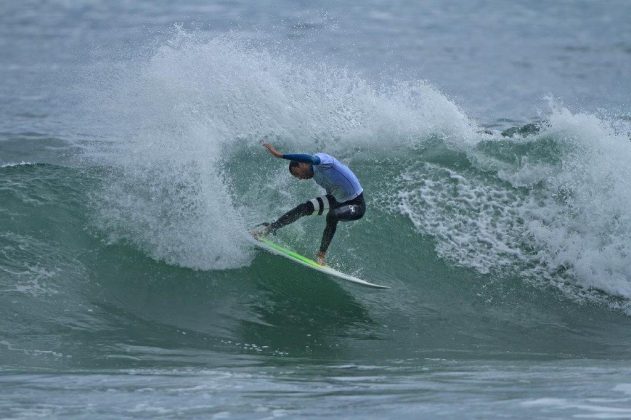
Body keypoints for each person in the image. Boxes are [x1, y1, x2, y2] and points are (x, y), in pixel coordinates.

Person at [254, 143, 365, 265]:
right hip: (336, 199)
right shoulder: (313, 174)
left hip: (356, 203)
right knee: (303, 208)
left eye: (298, 173)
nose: (300, 178)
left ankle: (321, 255)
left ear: (302, 164)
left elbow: (311, 158)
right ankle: (269, 229)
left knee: (333, 215)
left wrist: (280, 155)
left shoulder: (322, 161)